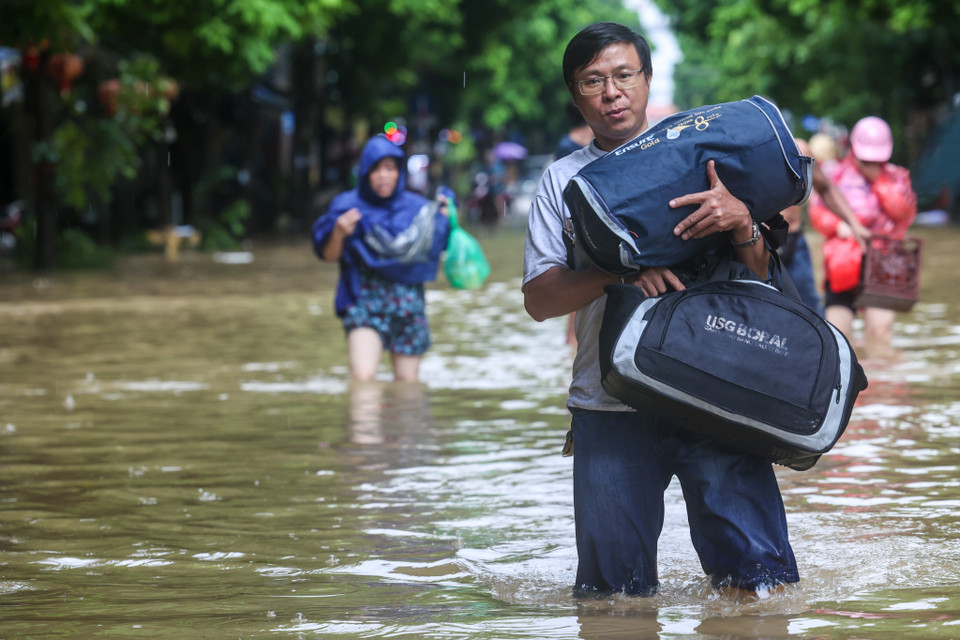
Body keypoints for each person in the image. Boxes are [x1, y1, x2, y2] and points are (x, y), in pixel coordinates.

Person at [522, 22, 799, 597]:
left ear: (647, 80)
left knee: (759, 590)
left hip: (719, 390)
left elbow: (759, 279)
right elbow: (540, 299)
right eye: (593, 81)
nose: (612, 92)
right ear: (576, 95)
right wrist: (616, 270)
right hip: (610, 400)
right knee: (613, 602)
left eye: (625, 75)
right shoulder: (561, 181)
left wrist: (740, 219)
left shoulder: (707, 159)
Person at [312, 134, 450, 382]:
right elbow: (328, 255)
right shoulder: (346, 206)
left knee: (408, 388)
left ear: (399, 172)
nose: (383, 176)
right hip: (364, 304)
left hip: (408, 305)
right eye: (376, 169)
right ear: (364, 173)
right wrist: (339, 232)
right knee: (363, 380)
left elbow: (439, 249)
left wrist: (444, 219)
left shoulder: (418, 209)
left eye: (390, 168)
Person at [808, 116, 917, 356]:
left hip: (885, 262)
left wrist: (878, 181)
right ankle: (850, 388)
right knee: (838, 335)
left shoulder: (897, 177)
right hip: (843, 262)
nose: (872, 163)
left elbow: (904, 212)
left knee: (880, 333)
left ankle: (882, 389)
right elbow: (817, 211)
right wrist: (838, 226)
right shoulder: (834, 175)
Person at [779, 137, 870, 315]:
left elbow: (825, 187)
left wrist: (853, 224)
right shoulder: (736, 153)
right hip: (755, 244)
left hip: (793, 241)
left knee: (810, 311)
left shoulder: (799, 148)